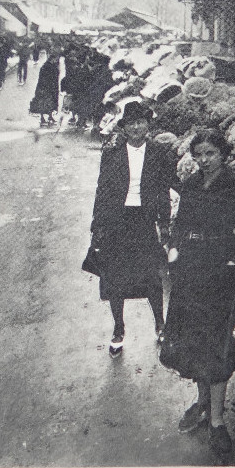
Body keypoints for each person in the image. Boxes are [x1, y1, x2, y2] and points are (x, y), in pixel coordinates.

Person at [162, 128, 235, 453]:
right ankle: (202, 401)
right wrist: (174, 251)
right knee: (193, 337)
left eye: (210, 154)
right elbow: (181, 224)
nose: (204, 160)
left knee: (218, 342)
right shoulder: (191, 184)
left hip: (221, 270)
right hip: (191, 268)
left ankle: (217, 420)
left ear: (223, 154)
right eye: (199, 154)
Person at [90, 100, 174, 358]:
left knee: (151, 276)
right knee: (116, 277)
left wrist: (164, 222)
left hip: (145, 220)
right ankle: (118, 329)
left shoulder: (159, 153)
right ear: (124, 128)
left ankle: (160, 325)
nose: (136, 127)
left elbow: (165, 188)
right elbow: (102, 189)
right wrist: (97, 224)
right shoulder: (112, 153)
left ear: (148, 125)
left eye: (141, 122)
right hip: (118, 220)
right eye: (131, 123)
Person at [30, 48, 60, 127]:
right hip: (47, 87)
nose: (56, 61)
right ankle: (43, 118)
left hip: (47, 87)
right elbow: (45, 79)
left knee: (48, 103)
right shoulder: (48, 67)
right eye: (56, 59)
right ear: (52, 59)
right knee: (45, 102)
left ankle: (49, 117)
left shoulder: (48, 66)